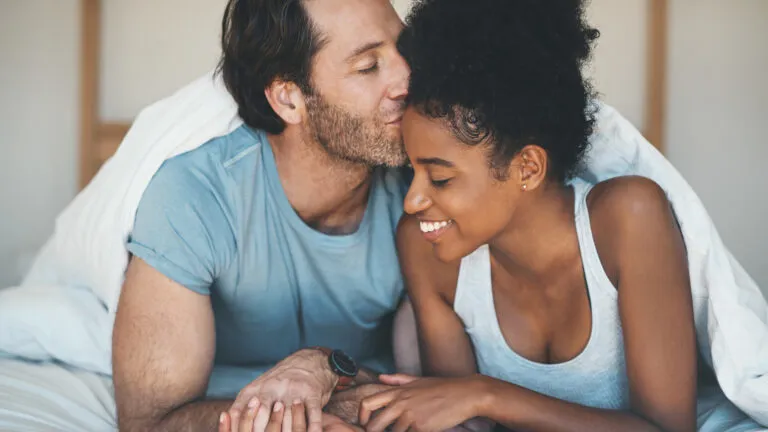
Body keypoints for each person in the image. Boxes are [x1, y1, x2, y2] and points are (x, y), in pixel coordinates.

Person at [356, 0, 707, 430]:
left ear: (528, 168)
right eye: (413, 171)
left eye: (441, 178)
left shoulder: (627, 220)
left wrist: (485, 394)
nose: (412, 202)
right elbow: (458, 420)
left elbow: (670, 429)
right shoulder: (424, 247)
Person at [111, 0, 419, 431]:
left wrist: (323, 366)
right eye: (369, 66)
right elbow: (151, 423)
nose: (408, 79)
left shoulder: (425, 190)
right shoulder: (197, 196)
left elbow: (437, 391)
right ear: (289, 99)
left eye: (405, 49)